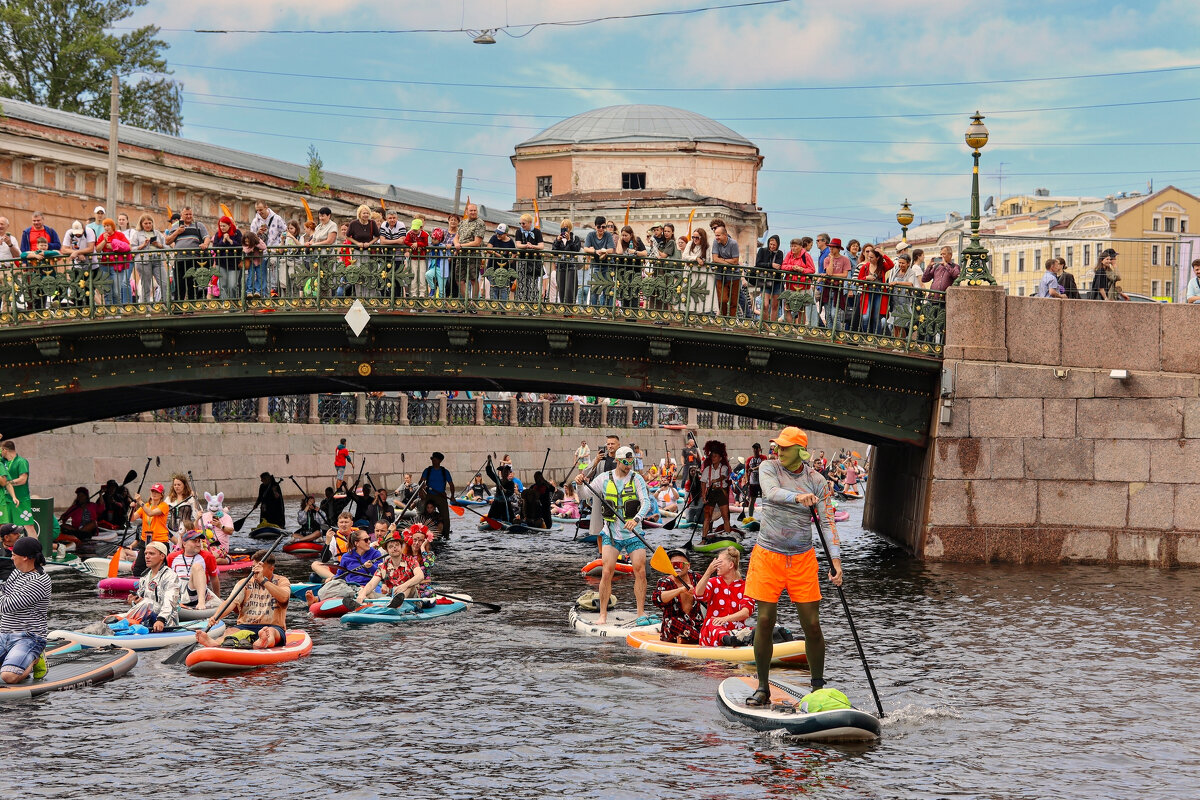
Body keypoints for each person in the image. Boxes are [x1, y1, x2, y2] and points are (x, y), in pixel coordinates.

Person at [743, 427, 841, 707]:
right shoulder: (768, 467)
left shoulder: (818, 481)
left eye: (785, 447)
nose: (779, 450)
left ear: (801, 451)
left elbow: (827, 522)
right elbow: (771, 493)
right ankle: (763, 687)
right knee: (764, 620)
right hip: (768, 555)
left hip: (802, 558)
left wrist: (836, 562)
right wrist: (798, 497)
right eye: (778, 446)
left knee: (811, 624)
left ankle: (817, 687)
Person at [578, 445, 652, 625]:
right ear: (618, 461)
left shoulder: (637, 479)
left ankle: (640, 613)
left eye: (631, 462)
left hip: (634, 533)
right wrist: (579, 484)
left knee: (640, 571)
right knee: (606, 571)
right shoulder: (603, 479)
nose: (628, 466)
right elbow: (583, 495)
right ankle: (602, 615)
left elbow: (646, 503)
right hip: (611, 533)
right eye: (625, 463)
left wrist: (636, 519)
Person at [197, 551, 290, 650]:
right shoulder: (244, 582)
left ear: (271, 569)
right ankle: (215, 643)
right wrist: (216, 617)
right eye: (253, 567)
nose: (255, 571)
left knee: (270, 632)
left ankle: (262, 641)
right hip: (246, 625)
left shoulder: (281, 581)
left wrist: (263, 580)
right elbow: (230, 602)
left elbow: (284, 597)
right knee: (230, 631)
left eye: (259, 568)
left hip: (273, 626)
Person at [0, 536, 52, 683]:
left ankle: (35, 659)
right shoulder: (17, 572)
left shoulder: (39, 581)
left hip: (29, 637)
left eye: (14, 555)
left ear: (25, 558)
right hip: (4, 634)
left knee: (9, 677)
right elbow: (4, 591)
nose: (11, 558)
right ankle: (13, 659)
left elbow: (7, 605)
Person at [694, 546, 755, 646]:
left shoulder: (745, 587)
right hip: (713, 630)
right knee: (712, 623)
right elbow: (698, 594)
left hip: (737, 630)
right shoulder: (713, 582)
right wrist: (708, 572)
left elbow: (746, 612)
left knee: (759, 629)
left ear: (731, 565)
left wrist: (725, 619)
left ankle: (736, 639)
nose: (716, 565)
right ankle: (728, 640)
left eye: (720, 562)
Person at [356, 527, 425, 603]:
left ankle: (397, 603)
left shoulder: (410, 560)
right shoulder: (384, 565)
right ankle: (360, 605)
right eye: (391, 547)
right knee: (365, 592)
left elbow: (420, 576)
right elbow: (372, 584)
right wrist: (362, 594)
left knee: (409, 586)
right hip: (390, 599)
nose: (394, 548)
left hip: (411, 600)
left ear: (401, 547)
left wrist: (404, 585)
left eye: (397, 545)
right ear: (387, 551)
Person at [312, 527, 382, 602]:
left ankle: (358, 597)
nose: (369, 542)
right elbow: (340, 575)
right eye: (365, 540)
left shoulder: (376, 553)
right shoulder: (346, 556)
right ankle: (317, 599)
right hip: (351, 586)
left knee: (368, 593)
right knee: (331, 585)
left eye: (369, 539)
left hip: (369, 586)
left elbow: (380, 574)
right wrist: (332, 579)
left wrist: (371, 567)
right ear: (356, 543)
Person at [126, 541, 182, 632]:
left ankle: (122, 622)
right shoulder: (145, 576)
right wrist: (134, 602)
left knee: (148, 603)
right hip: (147, 621)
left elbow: (170, 601)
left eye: (151, 554)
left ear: (162, 556)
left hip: (166, 622)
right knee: (146, 602)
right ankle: (122, 622)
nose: (147, 556)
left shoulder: (170, 576)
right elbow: (141, 600)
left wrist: (161, 619)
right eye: (146, 554)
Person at [652, 548, 703, 645]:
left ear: (688, 566)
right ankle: (701, 638)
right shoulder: (665, 582)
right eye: (672, 565)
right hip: (674, 627)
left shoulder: (696, 578)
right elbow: (657, 599)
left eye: (679, 564)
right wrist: (680, 590)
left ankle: (698, 637)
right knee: (674, 622)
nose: (676, 568)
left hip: (696, 623)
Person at [165, 206, 208, 300]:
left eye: (190, 214)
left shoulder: (199, 225)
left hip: (194, 259)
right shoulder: (175, 226)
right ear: (182, 215)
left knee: (193, 285)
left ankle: (191, 309)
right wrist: (177, 232)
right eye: (186, 214)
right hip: (180, 259)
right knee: (180, 285)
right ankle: (178, 309)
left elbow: (206, 237)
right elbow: (167, 241)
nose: (189, 216)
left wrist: (205, 244)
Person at [168, 531, 215, 610]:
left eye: (199, 541)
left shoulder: (207, 556)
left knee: (197, 567)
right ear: (184, 544)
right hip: (178, 592)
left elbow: (214, 578)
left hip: (194, 591)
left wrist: (217, 597)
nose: (198, 544)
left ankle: (201, 602)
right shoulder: (172, 557)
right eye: (194, 541)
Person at [130, 483, 169, 577]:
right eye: (153, 491)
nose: (154, 493)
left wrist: (140, 502)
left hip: (160, 542)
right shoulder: (146, 506)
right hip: (146, 541)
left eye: (157, 492)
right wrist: (132, 508)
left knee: (161, 569)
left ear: (161, 494)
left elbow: (151, 513)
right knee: (137, 570)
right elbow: (131, 519)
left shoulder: (164, 506)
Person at [699, 440, 733, 539]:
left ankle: (727, 537)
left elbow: (723, 476)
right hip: (711, 493)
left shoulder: (724, 467)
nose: (713, 458)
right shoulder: (706, 469)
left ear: (720, 458)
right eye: (712, 456)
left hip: (721, 492)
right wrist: (704, 496)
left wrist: (716, 480)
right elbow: (703, 483)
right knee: (707, 518)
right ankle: (704, 538)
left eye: (715, 456)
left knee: (725, 517)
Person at [419, 452, 454, 539]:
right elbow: (421, 482)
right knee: (424, 514)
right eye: (432, 459)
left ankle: (446, 535)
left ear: (440, 461)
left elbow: (451, 485)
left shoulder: (445, 472)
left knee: (445, 517)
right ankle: (422, 533)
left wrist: (452, 496)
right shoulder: (427, 470)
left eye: (435, 459)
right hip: (429, 495)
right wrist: (422, 487)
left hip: (441, 496)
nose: (433, 461)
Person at [711, 225, 741, 318]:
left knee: (733, 301)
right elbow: (715, 259)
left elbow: (735, 261)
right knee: (722, 300)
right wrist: (728, 261)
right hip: (720, 275)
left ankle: (730, 322)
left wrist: (722, 260)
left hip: (734, 275)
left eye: (718, 235)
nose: (716, 237)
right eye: (716, 235)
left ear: (725, 235)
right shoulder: (716, 242)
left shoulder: (733, 243)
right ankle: (724, 319)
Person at [756, 235, 785, 322]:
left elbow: (779, 265)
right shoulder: (762, 250)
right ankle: (764, 326)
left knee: (775, 305)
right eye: (770, 244)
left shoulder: (779, 253)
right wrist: (771, 265)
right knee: (765, 305)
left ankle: (771, 326)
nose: (772, 246)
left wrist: (769, 266)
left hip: (777, 281)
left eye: (774, 245)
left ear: (778, 245)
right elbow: (758, 263)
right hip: (765, 280)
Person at [744, 443, 764, 520]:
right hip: (753, 483)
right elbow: (746, 471)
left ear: (759, 449)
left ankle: (765, 517)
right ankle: (750, 517)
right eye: (754, 449)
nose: (755, 450)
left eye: (757, 448)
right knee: (752, 500)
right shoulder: (749, 459)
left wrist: (753, 469)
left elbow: (762, 465)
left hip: (762, 482)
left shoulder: (763, 457)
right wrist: (746, 480)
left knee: (764, 499)